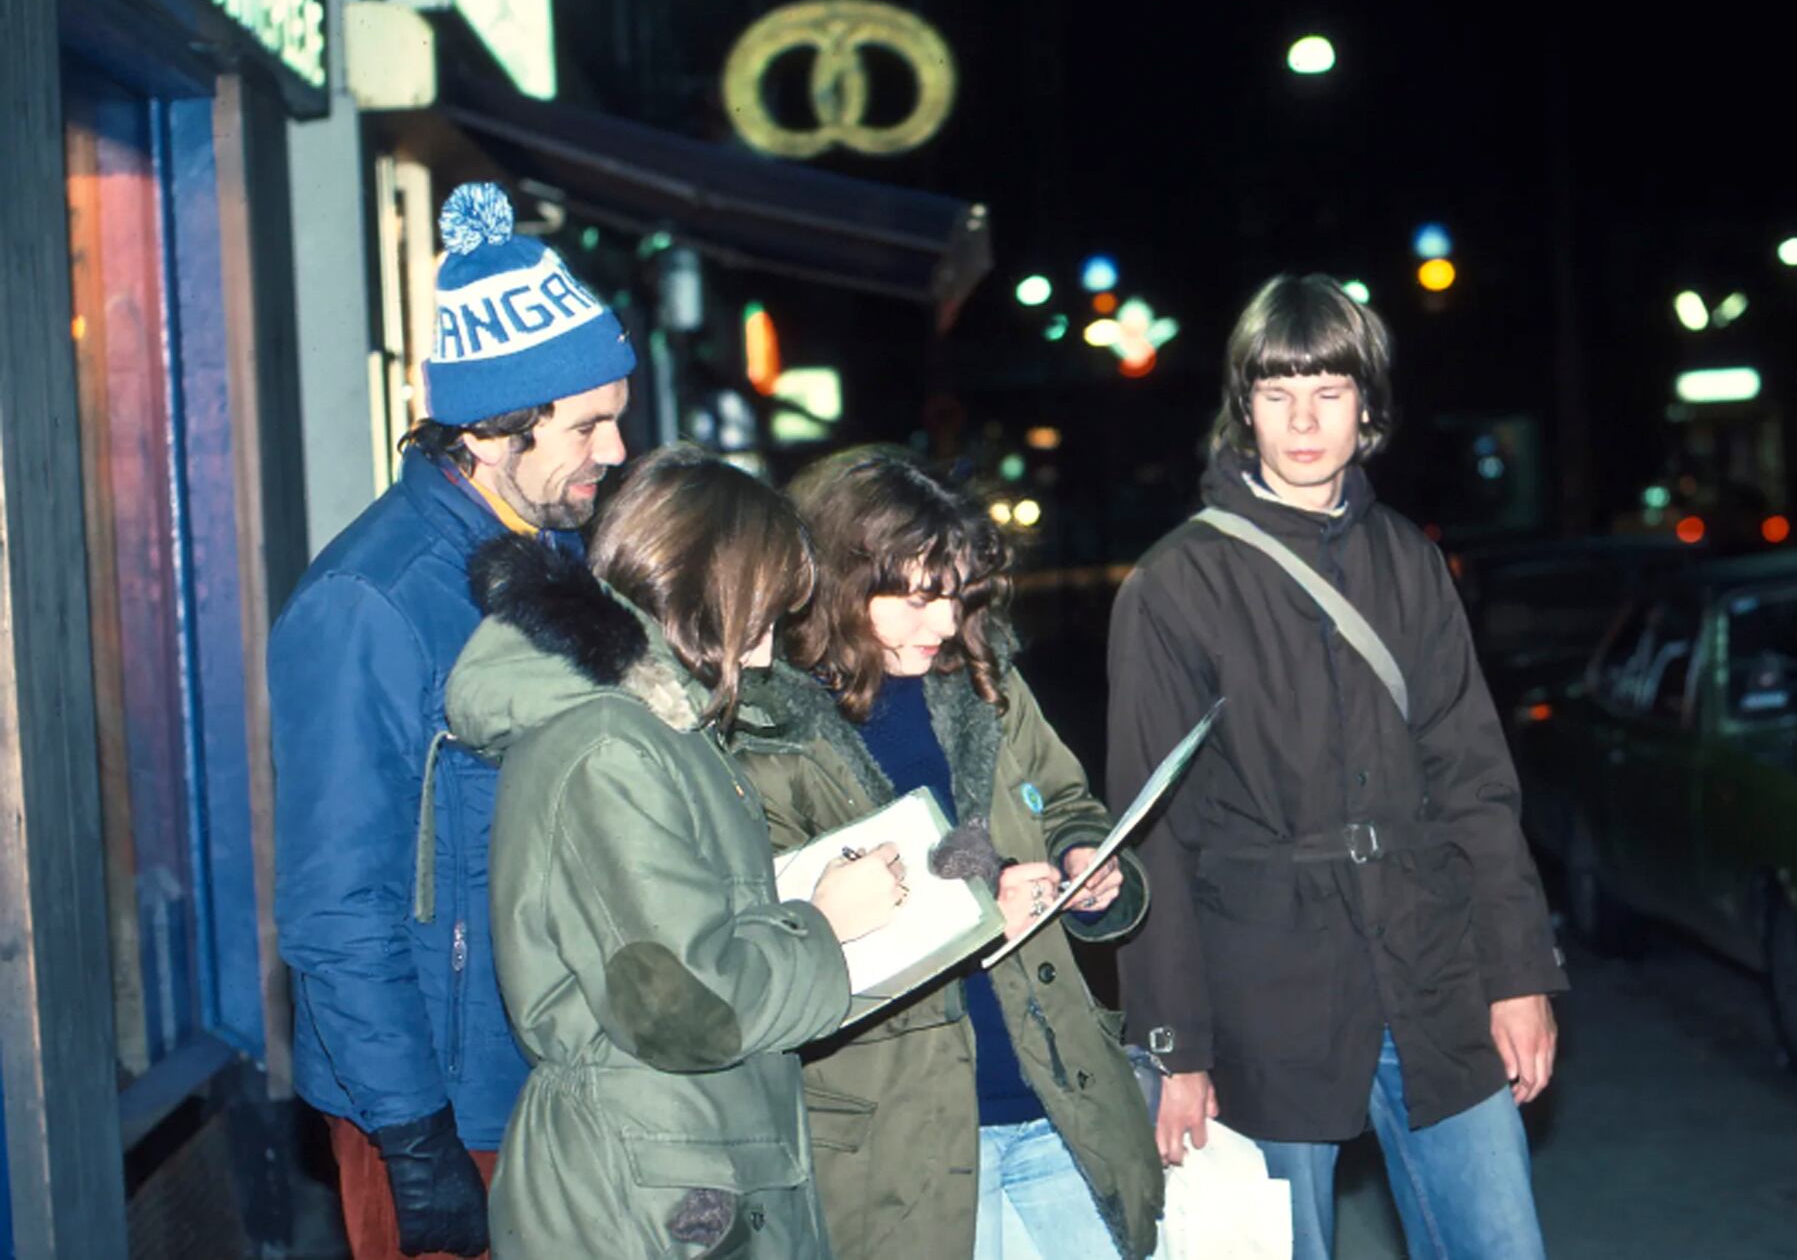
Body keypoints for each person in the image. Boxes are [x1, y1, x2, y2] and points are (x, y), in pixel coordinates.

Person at [1108, 274, 1569, 1260]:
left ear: (1367, 406)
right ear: (1244, 409)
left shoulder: (1408, 561)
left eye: (1326, 389)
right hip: (1262, 984)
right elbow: (1152, 836)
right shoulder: (1173, 586)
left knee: (1503, 1245)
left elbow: (1475, 782)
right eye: (1276, 393)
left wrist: (1518, 973)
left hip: (1430, 963)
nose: (1303, 419)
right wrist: (1173, 1047)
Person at [269, 182, 632, 1259]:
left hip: (555, 1073)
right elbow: (337, 905)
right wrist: (412, 1138)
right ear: (489, 427)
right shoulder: (367, 601)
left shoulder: (552, 557)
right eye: (588, 426)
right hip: (441, 1111)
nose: (613, 452)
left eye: (619, 416)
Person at [445, 446, 907, 1258]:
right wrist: (825, 924)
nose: (763, 654)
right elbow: (686, 1007)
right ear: (700, 592)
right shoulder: (608, 744)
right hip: (644, 1184)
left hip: (685, 1160)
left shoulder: (658, 729)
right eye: (756, 618)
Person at [731, 446, 1164, 1260]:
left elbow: (1067, 800)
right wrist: (973, 916)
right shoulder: (767, 736)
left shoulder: (980, 680)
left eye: (956, 596)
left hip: (1058, 1103)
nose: (943, 623)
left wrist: (1085, 861)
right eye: (919, 598)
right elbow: (783, 947)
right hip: (902, 1144)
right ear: (840, 578)